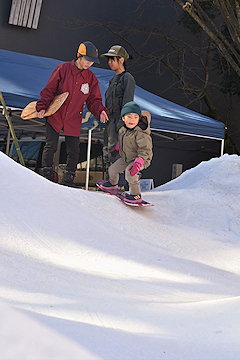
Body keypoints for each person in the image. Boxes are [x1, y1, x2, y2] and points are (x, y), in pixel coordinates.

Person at [36, 41, 108, 186]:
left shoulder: (91, 78)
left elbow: (94, 100)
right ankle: (47, 175)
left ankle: (69, 179)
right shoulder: (63, 69)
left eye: (92, 62)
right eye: (87, 60)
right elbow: (49, 89)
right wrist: (42, 107)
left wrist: (100, 110)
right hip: (56, 113)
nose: (89, 64)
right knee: (51, 145)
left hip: (74, 117)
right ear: (78, 56)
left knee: (74, 150)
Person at [100, 101, 153, 203]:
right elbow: (122, 142)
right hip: (126, 158)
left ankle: (136, 195)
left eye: (135, 117)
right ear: (123, 118)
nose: (132, 120)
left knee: (130, 173)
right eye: (129, 117)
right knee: (112, 169)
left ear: (139, 119)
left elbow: (145, 149)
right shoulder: (123, 130)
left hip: (141, 159)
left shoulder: (141, 133)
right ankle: (113, 184)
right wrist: (117, 149)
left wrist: (139, 161)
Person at [100, 45, 135, 188]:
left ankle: (119, 184)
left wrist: (122, 124)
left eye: (112, 59)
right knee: (107, 151)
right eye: (108, 59)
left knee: (118, 152)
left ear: (121, 60)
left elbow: (128, 102)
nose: (109, 62)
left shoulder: (128, 78)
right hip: (109, 121)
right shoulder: (112, 80)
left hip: (119, 122)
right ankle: (111, 182)